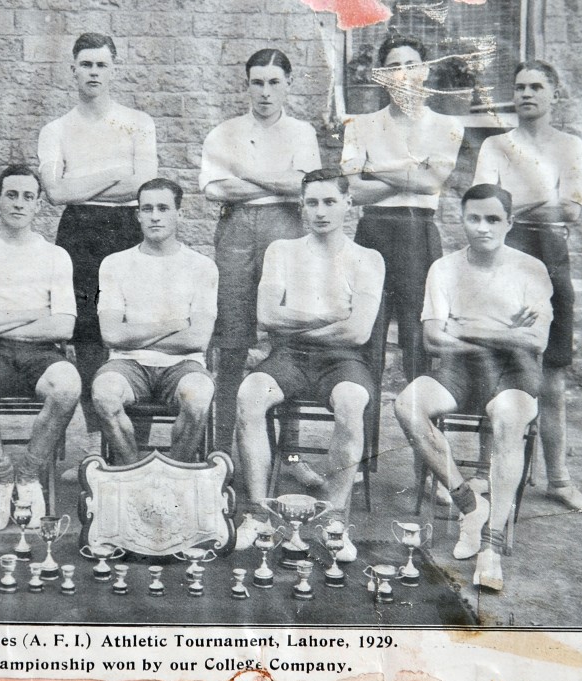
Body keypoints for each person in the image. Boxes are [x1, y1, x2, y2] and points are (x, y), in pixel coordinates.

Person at [394, 184, 553, 591]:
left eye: (493, 219)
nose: (483, 227)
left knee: (508, 417)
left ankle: (491, 546)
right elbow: (433, 339)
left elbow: (536, 342)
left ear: (509, 223)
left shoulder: (530, 269)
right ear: (462, 220)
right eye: (474, 218)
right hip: (460, 368)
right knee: (408, 404)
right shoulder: (444, 268)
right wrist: (504, 333)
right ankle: (469, 504)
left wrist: (465, 326)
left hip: (514, 371)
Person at [230, 170, 384, 556]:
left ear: (348, 203)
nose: (321, 211)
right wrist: (329, 317)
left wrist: (296, 321)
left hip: (343, 360)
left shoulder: (367, 258)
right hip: (289, 356)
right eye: (312, 202)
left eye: (330, 201)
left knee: (351, 400)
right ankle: (258, 514)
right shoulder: (282, 251)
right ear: (301, 206)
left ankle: (333, 520)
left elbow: (358, 333)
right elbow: (266, 315)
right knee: (250, 393)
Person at [473, 61, 582, 512]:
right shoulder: (495, 145)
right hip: (503, 260)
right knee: (496, 365)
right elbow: (483, 208)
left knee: (552, 375)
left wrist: (512, 206)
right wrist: (543, 198)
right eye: (520, 87)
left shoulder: (569, 145)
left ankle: (558, 479)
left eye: (537, 86)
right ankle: (484, 472)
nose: (527, 93)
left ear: (554, 94)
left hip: (552, 256)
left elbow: (572, 211)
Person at [38, 32, 158, 461]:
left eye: (101, 64)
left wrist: (81, 183)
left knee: (133, 328)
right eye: (86, 64)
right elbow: (55, 192)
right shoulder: (56, 129)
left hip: (126, 228)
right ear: (73, 69)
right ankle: (93, 439)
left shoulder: (138, 122)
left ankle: (133, 444)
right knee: (88, 335)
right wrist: (113, 174)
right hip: (79, 232)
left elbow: (144, 186)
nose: (93, 72)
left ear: (113, 69)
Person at [200, 48, 322, 451]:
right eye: (257, 82)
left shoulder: (302, 133)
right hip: (235, 229)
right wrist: (277, 181)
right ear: (247, 84)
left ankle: (290, 452)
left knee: (287, 337)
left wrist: (247, 173)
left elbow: (302, 185)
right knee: (232, 339)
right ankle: (222, 449)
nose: (265, 92)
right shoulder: (225, 132)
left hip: (285, 228)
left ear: (288, 84)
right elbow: (214, 189)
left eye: (274, 82)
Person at [0, 165, 81, 530]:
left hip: (41, 353)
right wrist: (30, 314)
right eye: (11, 195)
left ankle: (28, 475)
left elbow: (63, 326)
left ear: (38, 204)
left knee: (68, 385)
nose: (19, 203)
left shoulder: (56, 256)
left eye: (28, 197)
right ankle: (1, 475)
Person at [340, 33, 464, 383]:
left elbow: (431, 182)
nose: (403, 74)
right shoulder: (359, 126)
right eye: (393, 67)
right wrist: (412, 170)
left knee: (416, 335)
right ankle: (365, 419)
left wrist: (374, 167)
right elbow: (353, 190)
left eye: (411, 65)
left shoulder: (447, 126)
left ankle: (417, 414)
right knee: (368, 331)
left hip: (418, 232)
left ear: (425, 71)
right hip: (373, 231)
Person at [92, 178, 218, 465]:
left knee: (199, 395)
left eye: (163, 208)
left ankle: (176, 472)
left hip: (182, 365)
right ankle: (133, 470)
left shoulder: (201, 266)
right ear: (138, 215)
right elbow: (111, 335)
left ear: (179, 214)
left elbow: (198, 339)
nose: (155, 216)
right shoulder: (115, 264)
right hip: (127, 364)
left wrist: (133, 335)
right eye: (147, 209)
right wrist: (173, 325)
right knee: (104, 393)